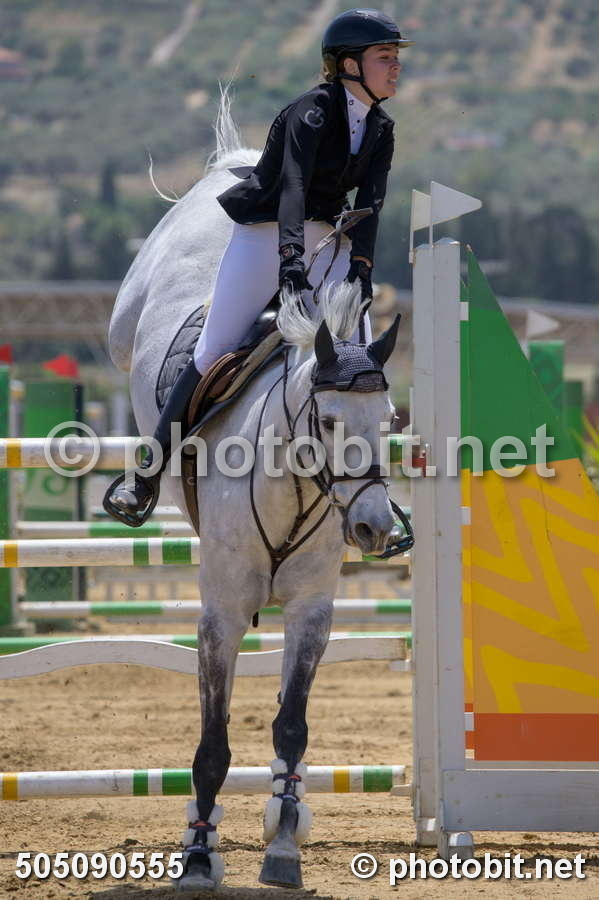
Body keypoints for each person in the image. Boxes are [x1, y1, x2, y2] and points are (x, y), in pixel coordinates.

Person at [105, 7, 414, 526]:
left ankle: (371, 490)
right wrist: (290, 261)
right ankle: (147, 475)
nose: (395, 66)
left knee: (358, 363)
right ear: (348, 65)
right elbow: (292, 190)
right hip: (266, 234)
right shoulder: (310, 113)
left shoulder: (381, 128)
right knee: (214, 347)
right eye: (385, 56)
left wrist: (361, 266)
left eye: (395, 57)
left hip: (328, 240)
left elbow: (371, 205)